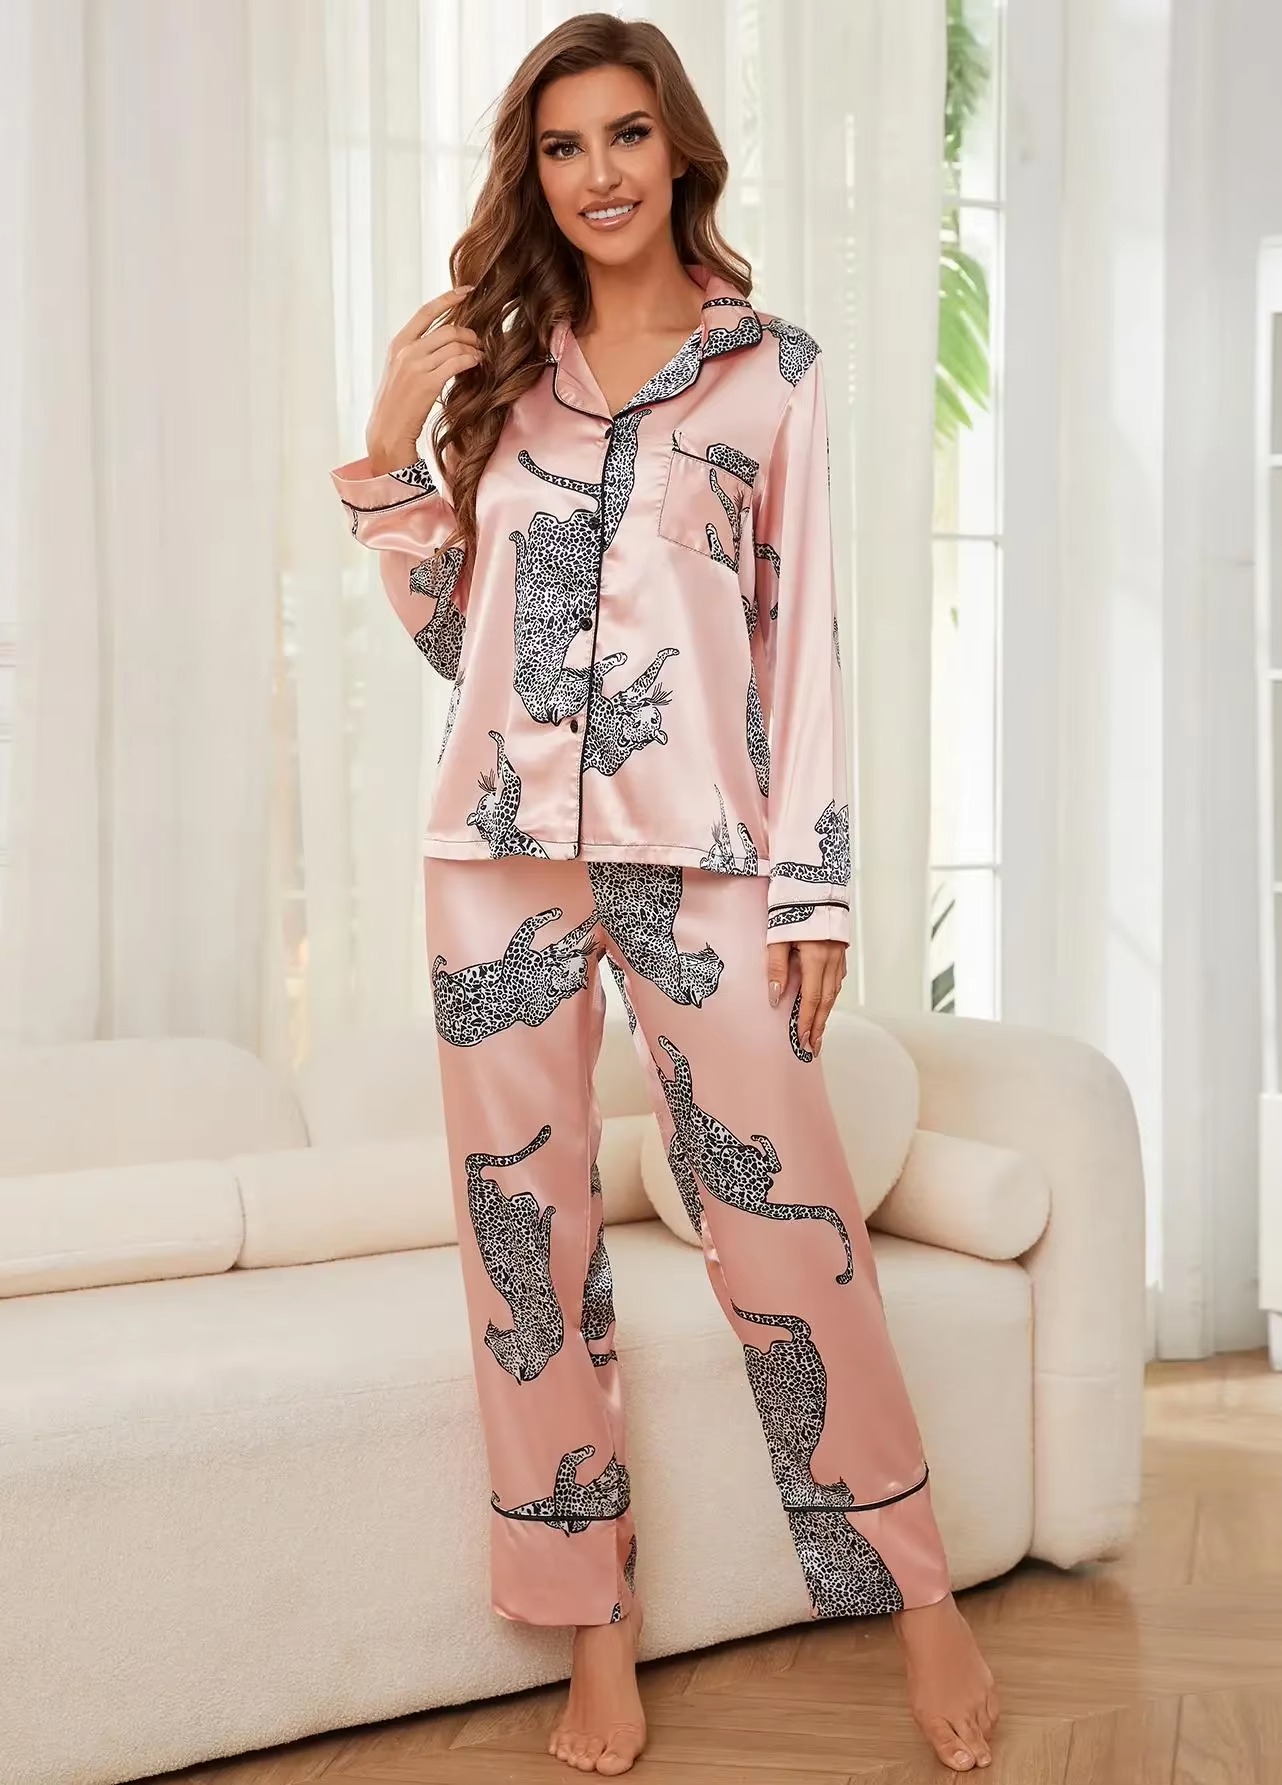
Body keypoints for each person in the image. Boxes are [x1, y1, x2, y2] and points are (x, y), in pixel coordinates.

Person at [330, 12, 999, 1777]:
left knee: (791, 1220)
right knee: (525, 1246)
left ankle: (918, 1587)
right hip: (495, 860)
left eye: (626, 135)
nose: (598, 173)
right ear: (534, 173)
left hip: (707, 852)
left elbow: (804, 647)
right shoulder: (505, 377)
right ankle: (594, 1627)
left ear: (680, 147)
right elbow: (462, 637)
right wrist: (391, 454)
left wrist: (816, 891)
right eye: (563, 147)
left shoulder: (770, 374)